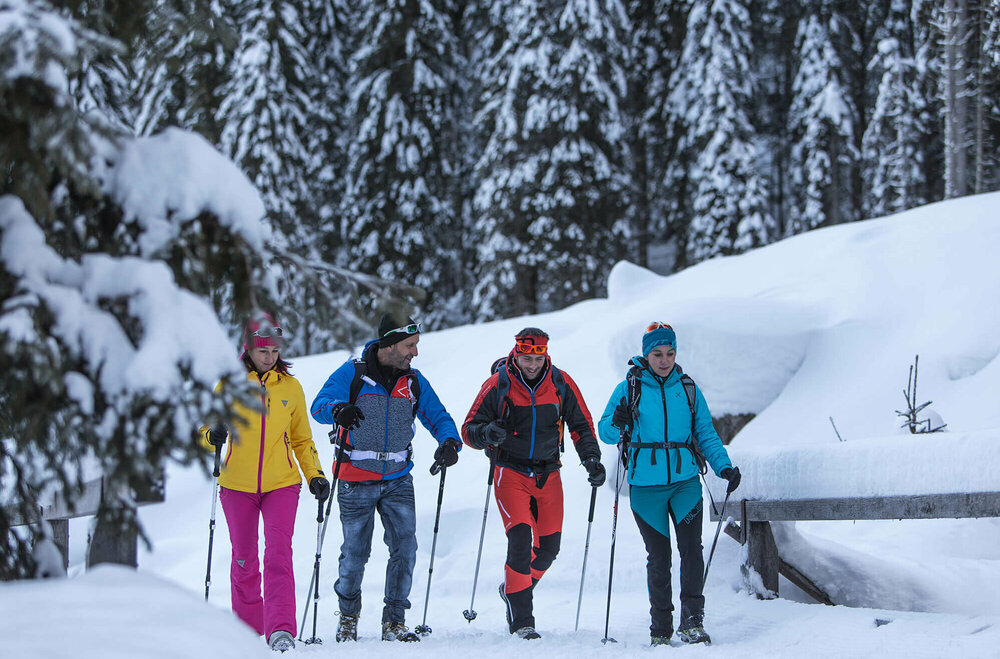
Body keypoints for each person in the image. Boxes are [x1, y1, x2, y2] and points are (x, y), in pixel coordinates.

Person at [310, 313, 462, 643]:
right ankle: (348, 617)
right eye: (410, 345)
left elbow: (439, 416)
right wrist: (338, 410)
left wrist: (449, 441)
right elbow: (319, 405)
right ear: (389, 345)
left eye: (416, 345)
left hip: (397, 478)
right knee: (355, 552)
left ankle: (394, 621)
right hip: (354, 478)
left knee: (405, 548)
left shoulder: (414, 382)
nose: (415, 353)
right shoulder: (353, 373)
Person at [598, 322, 741, 647]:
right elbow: (605, 431)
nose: (664, 360)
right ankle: (660, 629)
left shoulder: (688, 388)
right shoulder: (629, 388)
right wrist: (616, 422)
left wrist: (724, 467)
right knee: (659, 557)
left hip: (685, 483)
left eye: (670, 353)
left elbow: (705, 431)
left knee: (692, 551)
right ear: (646, 354)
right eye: (657, 353)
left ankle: (692, 622)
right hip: (645, 488)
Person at [462, 328, 605, 640]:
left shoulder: (560, 382)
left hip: (548, 473)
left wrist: (591, 459)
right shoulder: (498, 384)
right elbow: (468, 429)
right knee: (520, 539)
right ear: (517, 353)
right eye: (526, 358)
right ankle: (522, 621)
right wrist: (487, 434)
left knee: (548, 548)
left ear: (545, 354)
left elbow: (581, 424)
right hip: (509, 472)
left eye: (537, 358)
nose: (532, 364)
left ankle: (513, 591)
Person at [204, 311, 329, 653]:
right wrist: (212, 436)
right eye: (263, 352)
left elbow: (302, 439)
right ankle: (247, 631)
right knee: (244, 559)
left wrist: (315, 475)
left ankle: (281, 631)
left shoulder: (290, 387)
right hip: (237, 486)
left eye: (274, 351)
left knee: (278, 556)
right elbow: (204, 432)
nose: (270, 358)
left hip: (282, 484)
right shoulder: (228, 385)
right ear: (248, 349)